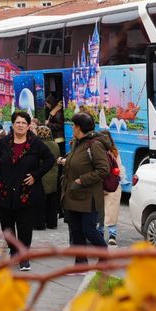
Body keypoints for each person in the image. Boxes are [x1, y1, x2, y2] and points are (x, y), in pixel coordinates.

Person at [0, 111, 55, 271]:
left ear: (29, 126)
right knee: (6, 227)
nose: (20, 125)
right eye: (17, 122)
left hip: (26, 192)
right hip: (5, 191)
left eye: (23, 123)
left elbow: (50, 159)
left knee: (25, 226)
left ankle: (23, 257)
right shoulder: (4, 142)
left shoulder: (35, 143)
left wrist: (36, 175)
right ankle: (13, 250)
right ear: (13, 125)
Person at [58, 112, 109, 264]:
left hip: (88, 197)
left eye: (74, 125)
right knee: (76, 230)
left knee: (89, 230)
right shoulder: (77, 142)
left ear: (79, 127)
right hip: (72, 194)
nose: (72, 128)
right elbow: (76, 162)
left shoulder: (95, 144)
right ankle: (80, 263)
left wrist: (82, 180)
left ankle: (105, 256)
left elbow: (103, 169)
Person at [97, 130, 124, 246]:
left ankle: (105, 234)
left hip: (105, 185)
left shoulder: (100, 152)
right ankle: (109, 235)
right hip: (112, 185)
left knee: (104, 212)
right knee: (107, 212)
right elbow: (120, 171)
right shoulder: (114, 152)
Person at [36, 125, 61, 230]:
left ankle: (40, 223)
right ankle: (52, 223)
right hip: (54, 174)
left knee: (41, 201)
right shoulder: (55, 144)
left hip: (42, 175)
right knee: (52, 200)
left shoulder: (38, 145)